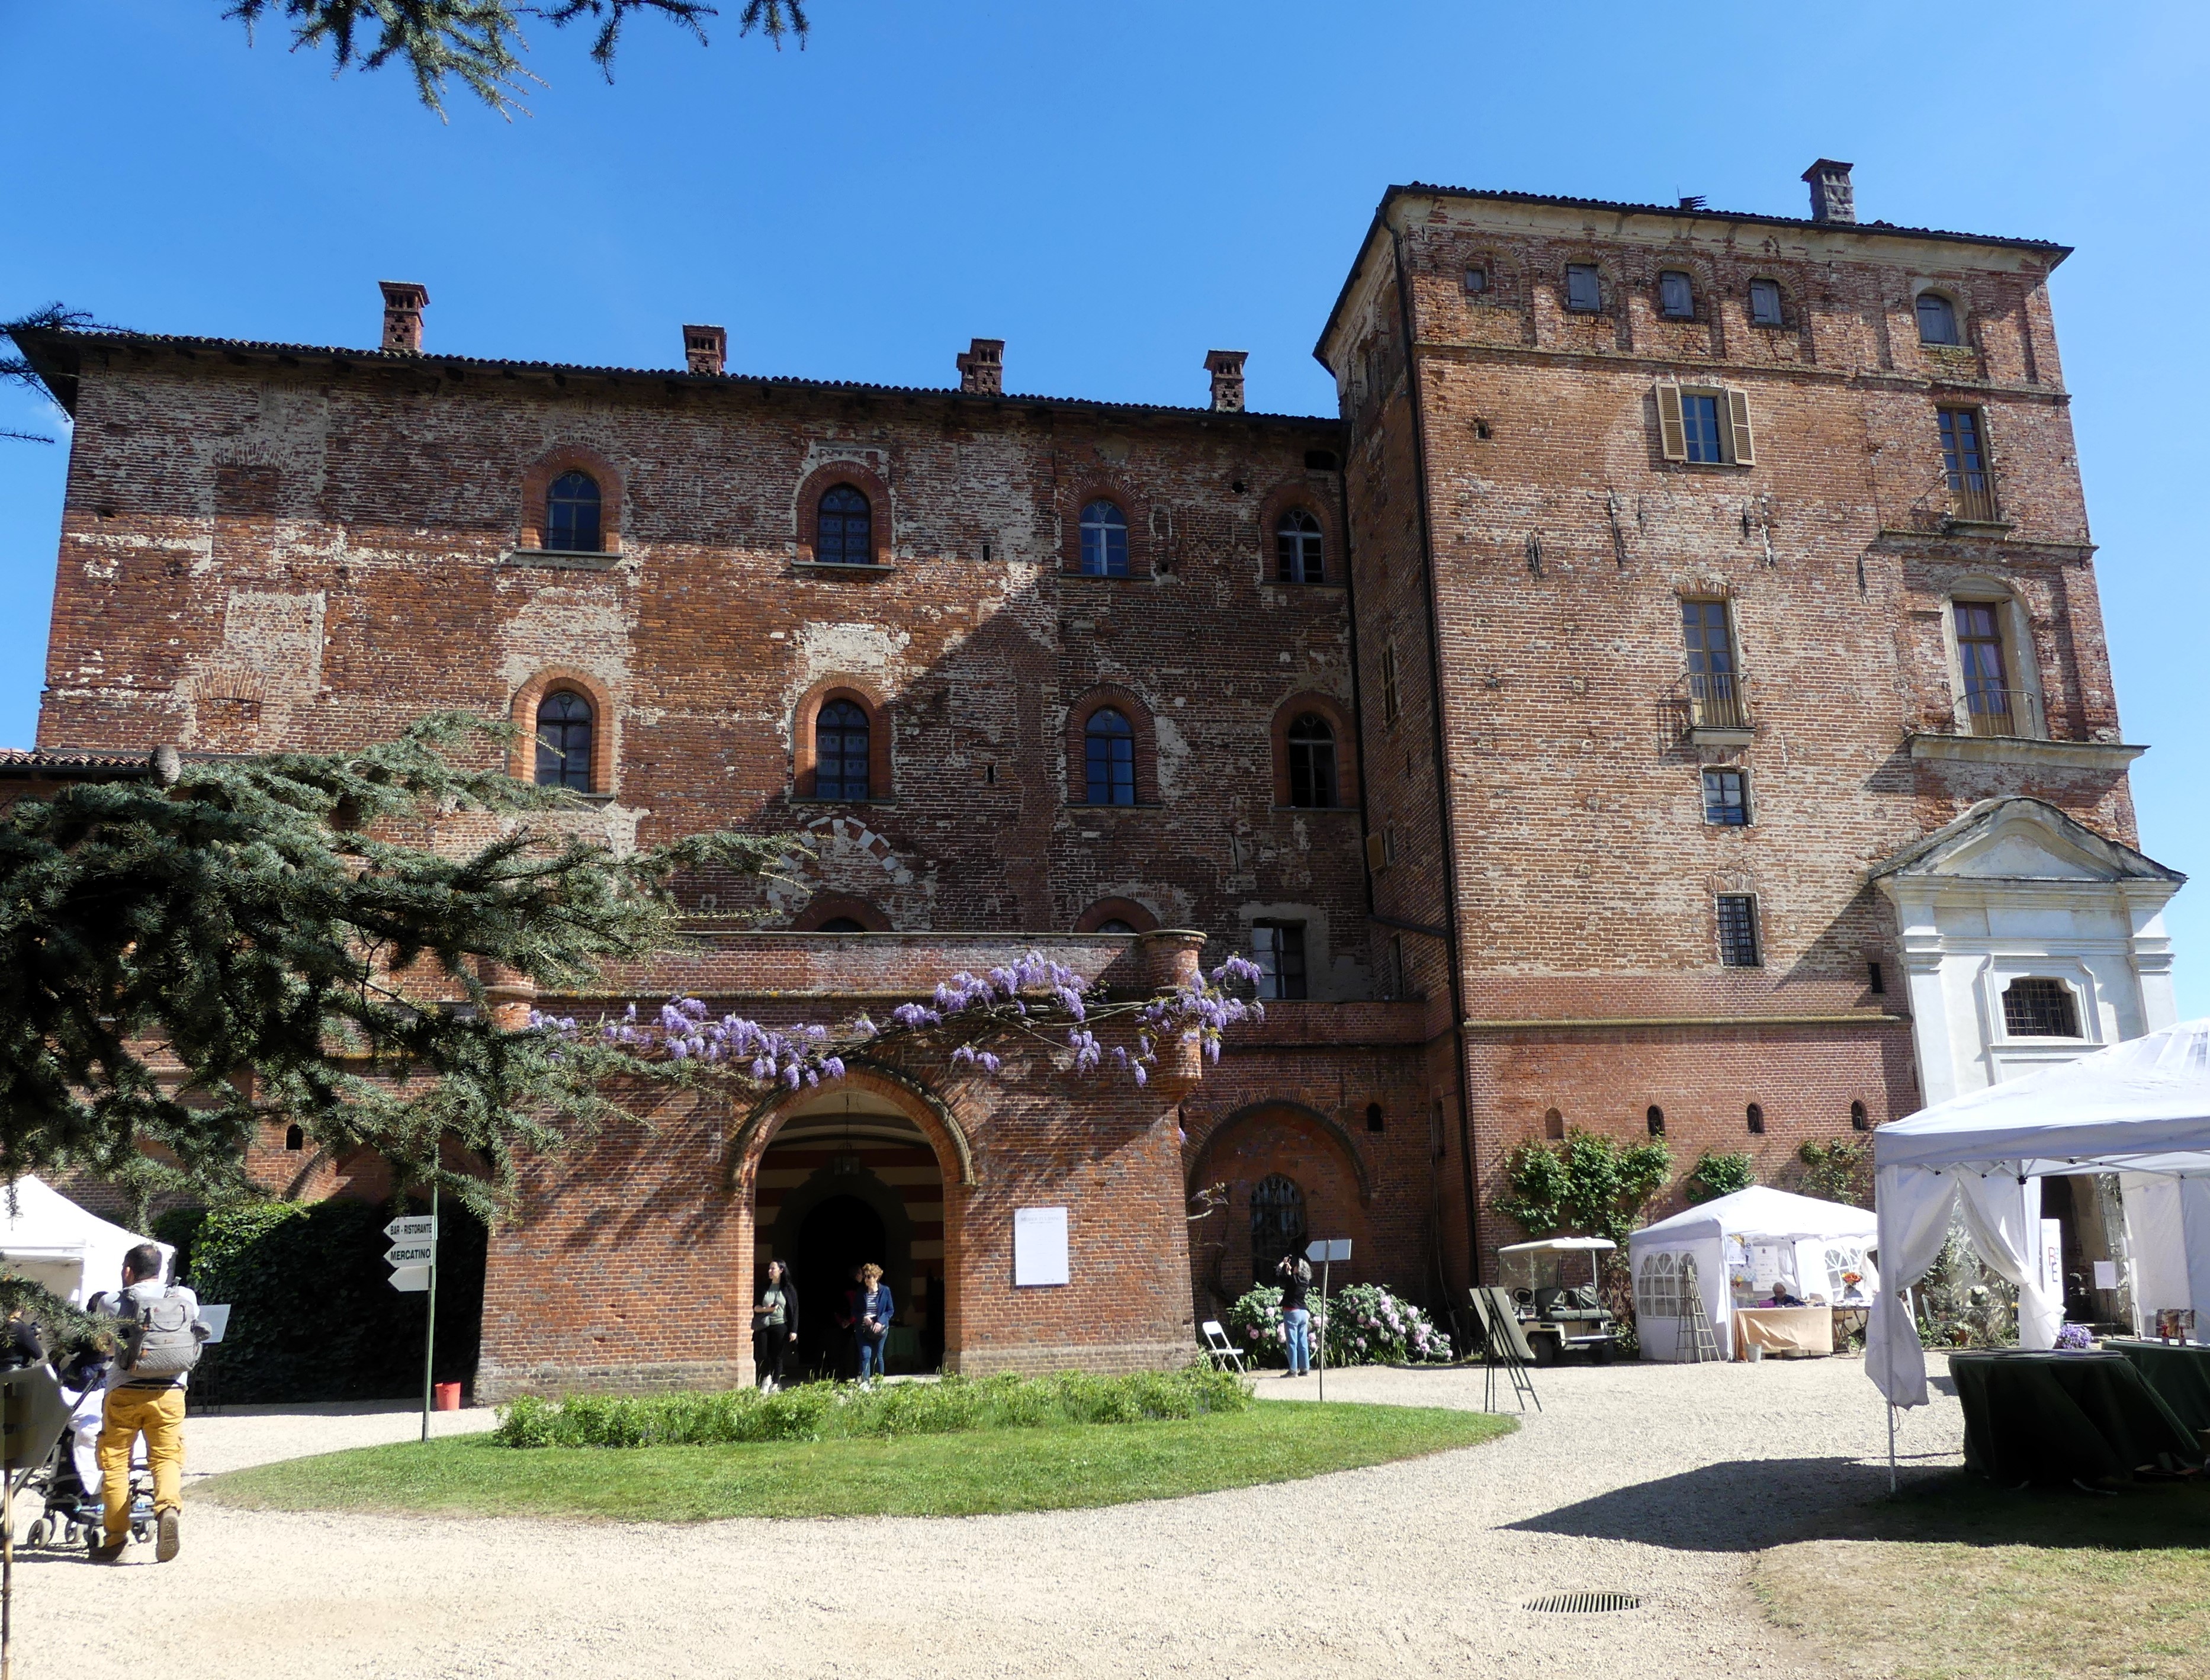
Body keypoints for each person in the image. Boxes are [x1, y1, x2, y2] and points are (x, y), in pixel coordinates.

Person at [88, 1242, 205, 1563]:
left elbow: (103, 1346)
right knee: (167, 1457)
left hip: (124, 1390)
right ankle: (167, 1508)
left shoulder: (112, 1302)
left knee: (115, 1462)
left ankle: (116, 1540)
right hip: (170, 1391)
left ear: (128, 1271)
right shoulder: (187, 1297)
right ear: (162, 1270)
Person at [754, 1260, 799, 1392]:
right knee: (762, 1353)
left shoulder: (788, 1288)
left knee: (777, 1355)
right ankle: (766, 1377)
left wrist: (794, 1330)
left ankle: (775, 1383)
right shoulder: (764, 1287)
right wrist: (765, 1309)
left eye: (772, 1269)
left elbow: (795, 1310)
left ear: (781, 1270)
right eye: (769, 1269)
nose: (770, 1271)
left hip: (780, 1326)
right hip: (764, 1325)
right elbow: (755, 1307)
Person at [846, 1263, 893, 1385]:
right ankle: (865, 1382)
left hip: (880, 1328)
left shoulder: (885, 1291)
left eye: (869, 1277)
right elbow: (854, 1311)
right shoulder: (861, 1292)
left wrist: (880, 1322)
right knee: (865, 1354)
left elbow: (890, 1310)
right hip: (864, 1328)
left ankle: (879, 1381)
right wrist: (864, 1317)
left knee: (878, 1355)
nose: (866, 1279)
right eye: (865, 1276)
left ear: (876, 1277)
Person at [1277, 1252, 1313, 1377]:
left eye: (1296, 1266)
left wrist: (1283, 1263)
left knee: (1292, 1342)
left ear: (1299, 1269)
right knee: (1303, 1341)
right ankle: (1305, 1369)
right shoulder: (1305, 1282)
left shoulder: (1293, 1279)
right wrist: (1290, 1272)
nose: (1294, 1267)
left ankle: (1293, 1370)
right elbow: (1292, 1282)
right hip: (1303, 1312)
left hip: (1292, 1311)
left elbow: (1277, 1274)